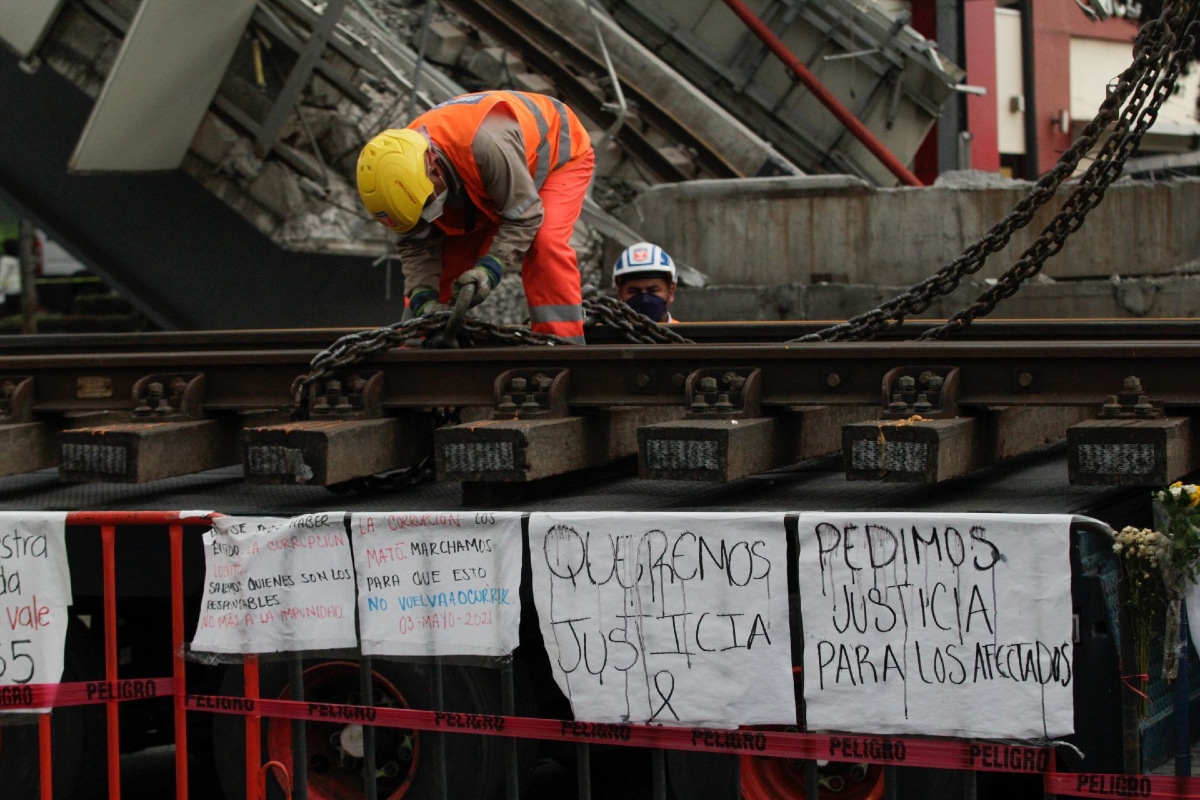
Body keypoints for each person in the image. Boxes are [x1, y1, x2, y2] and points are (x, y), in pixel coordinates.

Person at [356, 91, 594, 343]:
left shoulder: (487, 145)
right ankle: (414, 346)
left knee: (544, 243)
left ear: (433, 169)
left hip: (558, 157)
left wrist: (490, 268)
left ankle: (562, 343)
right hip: (481, 178)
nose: (426, 214)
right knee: (447, 261)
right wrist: (422, 297)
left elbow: (524, 217)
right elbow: (417, 246)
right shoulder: (396, 179)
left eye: (426, 204)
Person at [612, 242, 678, 323]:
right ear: (620, 294)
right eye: (634, 291)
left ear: (670, 292)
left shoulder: (686, 334)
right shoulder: (601, 334)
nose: (644, 299)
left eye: (652, 290)